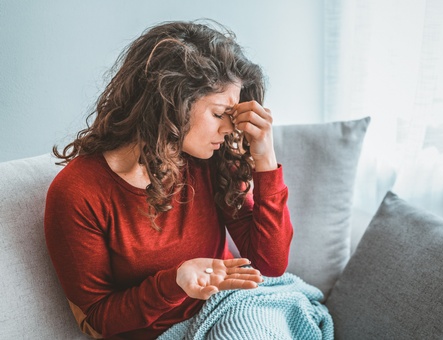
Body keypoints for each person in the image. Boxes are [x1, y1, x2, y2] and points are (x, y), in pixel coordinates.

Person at [44, 20, 293, 339]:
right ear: (170, 104)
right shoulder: (78, 193)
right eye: (219, 114)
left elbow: (270, 263)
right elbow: (100, 316)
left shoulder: (210, 161)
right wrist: (174, 282)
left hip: (235, 305)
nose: (229, 129)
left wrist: (264, 159)